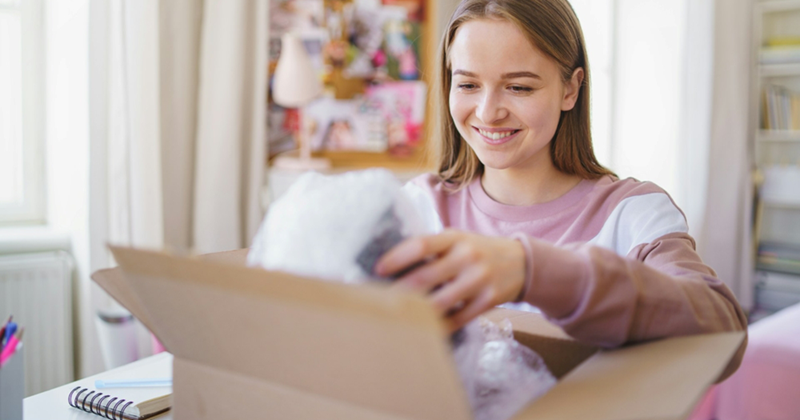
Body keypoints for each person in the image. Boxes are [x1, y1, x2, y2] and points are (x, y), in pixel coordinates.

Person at [374, 0, 747, 379]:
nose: (488, 112)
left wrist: (530, 270)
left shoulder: (633, 213)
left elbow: (723, 332)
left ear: (570, 89)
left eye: (518, 87)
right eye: (468, 84)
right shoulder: (417, 208)